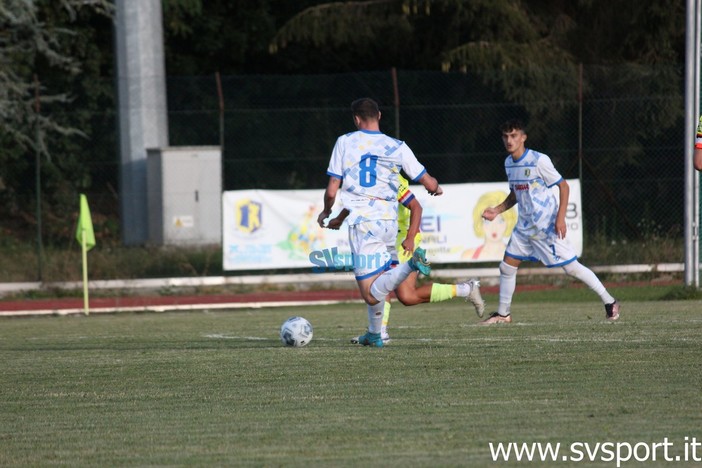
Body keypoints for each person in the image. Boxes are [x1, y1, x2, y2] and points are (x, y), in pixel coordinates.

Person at [317, 97, 443, 347]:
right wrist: (436, 187)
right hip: (388, 223)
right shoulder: (397, 145)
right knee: (380, 281)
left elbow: (333, 190)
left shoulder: (345, 142)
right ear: (380, 116)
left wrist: (326, 211)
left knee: (369, 293)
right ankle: (375, 335)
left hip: (363, 224)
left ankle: (410, 267)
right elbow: (427, 181)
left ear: (356, 119)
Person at [480, 119, 620, 324]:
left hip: (546, 226)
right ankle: (503, 314)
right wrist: (497, 210)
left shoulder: (538, 160)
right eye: (506, 137)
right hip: (524, 227)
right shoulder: (509, 163)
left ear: (523, 137)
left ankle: (610, 301)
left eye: (514, 136)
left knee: (571, 268)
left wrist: (560, 218)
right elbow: (515, 194)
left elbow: (564, 186)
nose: (509, 140)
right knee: (507, 267)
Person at [327, 175, 485, 343]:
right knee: (390, 288)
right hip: (383, 238)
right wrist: (339, 218)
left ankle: (379, 332)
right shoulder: (367, 176)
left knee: (405, 295)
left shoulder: (391, 178)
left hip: (401, 239)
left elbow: (416, 207)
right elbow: (359, 201)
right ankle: (466, 289)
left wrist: (410, 237)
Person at [461, 190, 517, 261]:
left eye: (500, 221)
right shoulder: (468, 256)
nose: (494, 227)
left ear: (508, 222)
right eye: (488, 221)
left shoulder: (517, 255)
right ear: (480, 222)